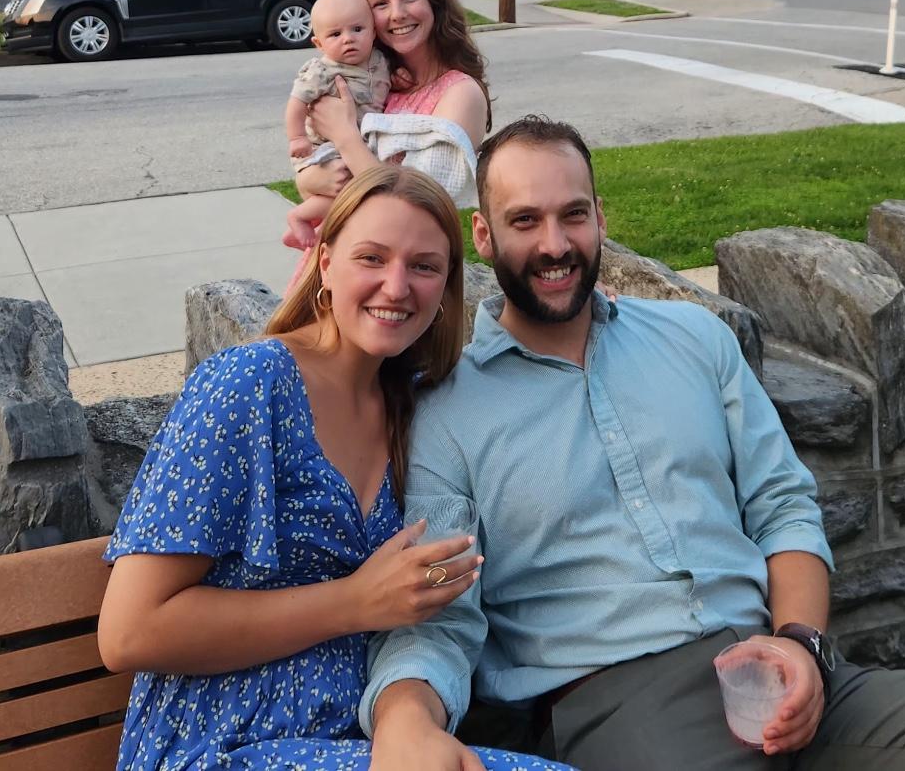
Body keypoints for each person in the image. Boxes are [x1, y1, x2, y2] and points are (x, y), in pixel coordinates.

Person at [361, 117, 905, 771]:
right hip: (623, 702)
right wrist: (403, 721)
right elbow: (439, 615)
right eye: (526, 221)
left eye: (574, 215)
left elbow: (782, 504)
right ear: (485, 236)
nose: (556, 244)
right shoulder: (449, 407)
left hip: (790, 671)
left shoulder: (694, 337)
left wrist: (802, 646)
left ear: (601, 216)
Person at [98, 163, 570, 771]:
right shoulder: (249, 386)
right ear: (325, 265)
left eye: (424, 266)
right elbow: (130, 631)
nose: (397, 287)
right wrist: (354, 602)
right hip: (224, 742)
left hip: (361, 744)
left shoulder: (410, 406)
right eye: (371, 258)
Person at [296, 0, 491, 215]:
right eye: (380, 4)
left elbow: (416, 212)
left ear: (434, 1)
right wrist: (309, 179)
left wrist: (345, 137)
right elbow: (316, 175)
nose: (397, 13)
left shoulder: (460, 94)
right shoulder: (379, 80)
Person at [283, 0, 393, 251]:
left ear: (373, 31)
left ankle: (318, 229)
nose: (348, 40)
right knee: (349, 192)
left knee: (353, 198)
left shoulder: (378, 60)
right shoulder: (321, 71)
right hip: (323, 148)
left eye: (357, 29)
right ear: (319, 44)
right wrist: (297, 137)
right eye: (335, 34)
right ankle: (299, 217)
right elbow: (296, 103)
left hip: (353, 143)